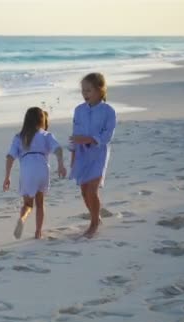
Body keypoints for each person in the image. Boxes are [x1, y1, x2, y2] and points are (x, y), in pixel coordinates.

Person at [3, 107, 67, 239]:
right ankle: (38, 232)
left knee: (27, 204)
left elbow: (10, 157)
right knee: (40, 203)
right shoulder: (46, 135)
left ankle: (22, 218)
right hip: (42, 170)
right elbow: (58, 149)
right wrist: (61, 165)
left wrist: (7, 177)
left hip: (27, 171)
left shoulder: (19, 137)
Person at [69, 72, 117, 238]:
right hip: (81, 154)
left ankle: (94, 223)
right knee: (83, 191)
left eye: (88, 90)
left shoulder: (108, 111)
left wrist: (89, 139)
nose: (85, 94)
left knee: (92, 190)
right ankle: (96, 216)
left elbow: (107, 135)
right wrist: (73, 155)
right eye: (83, 90)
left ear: (99, 90)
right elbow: (75, 134)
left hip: (98, 154)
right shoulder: (78, 110)